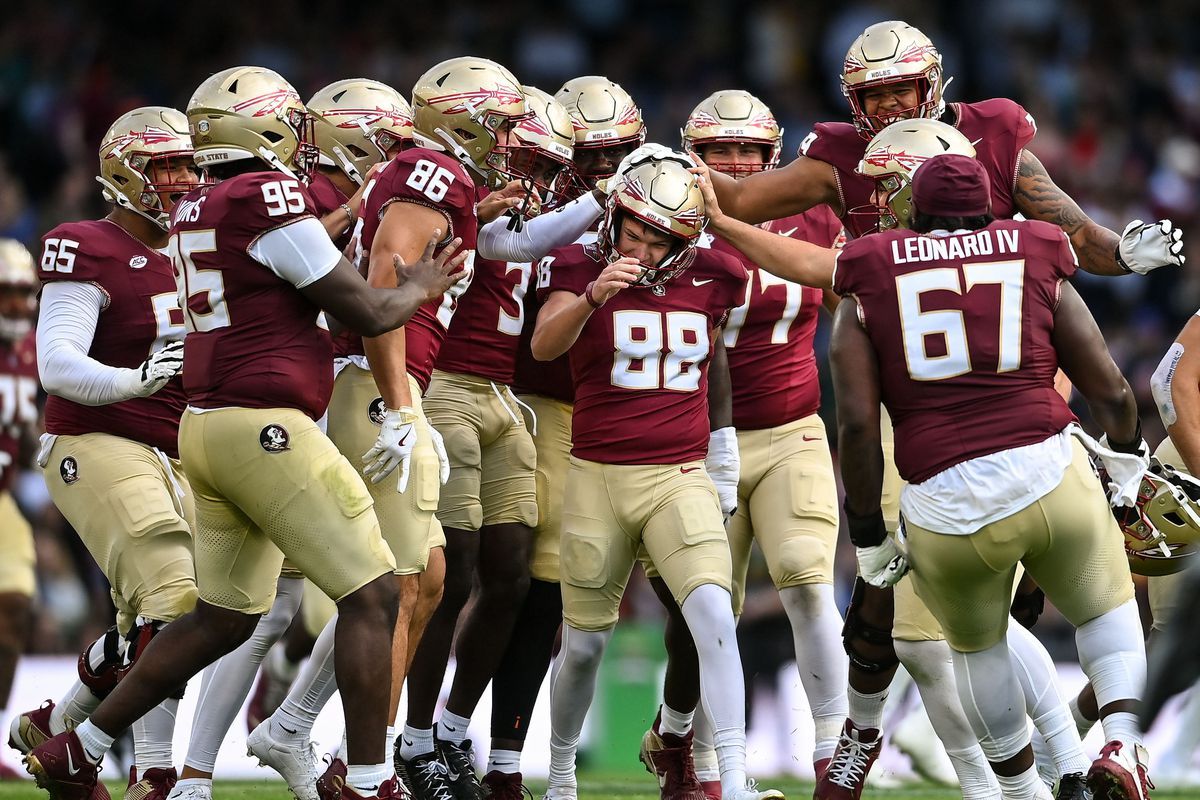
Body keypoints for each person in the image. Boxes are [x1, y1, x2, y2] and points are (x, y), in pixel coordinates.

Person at [21, 65, 466, 800]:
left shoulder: (201, 203)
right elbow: (369, 309)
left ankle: (84, 743)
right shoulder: (265, 193)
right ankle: (368, 780)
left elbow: (276, 269)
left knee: (220, 618)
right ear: (264, 128)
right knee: (375, 593)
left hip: (204, 427)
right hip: (265, 429)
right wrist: (420, 286)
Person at [831, 153, 1153, 800]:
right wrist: (1127, 463)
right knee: (1106, 612)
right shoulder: (1035, 248)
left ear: (912, 213)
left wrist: (867, 534)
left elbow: (860, 428)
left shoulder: (866, 271)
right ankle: (1120, 743)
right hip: (1047, 467)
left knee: (978, 649)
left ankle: (1020, 789)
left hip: (944, 501)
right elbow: (1112, 388)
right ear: (991, 209)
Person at [167, 77, 416, 800]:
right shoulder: (275, 193)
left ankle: (179, 765)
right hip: (319, 393)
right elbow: (363, 301)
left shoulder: (251, 197)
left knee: (260, 604)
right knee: (388, 580)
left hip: (262, 399)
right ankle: (346, 758)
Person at [533, 155, 781, 800]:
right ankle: (561, 775)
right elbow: (543, 347)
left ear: (687, 238)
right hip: (597, 475)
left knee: (713, 615)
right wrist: (594, 297)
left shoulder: (718, 273)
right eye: (632, 232)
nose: (639, 248)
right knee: (584, 645)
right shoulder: (580, 266)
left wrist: (721, 452)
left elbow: (716, 359)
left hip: (678, 474)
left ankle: (732, 775)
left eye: (657, 239)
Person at [637, 90, 848, 800]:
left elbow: (863, 303)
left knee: (810, 584)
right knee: (705, 612)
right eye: (719, 151)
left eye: (750, 153)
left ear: (774, 156)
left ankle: (831, 755)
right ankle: (685, 747)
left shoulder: (819, 211)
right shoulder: (663, 218)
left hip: (793, 426)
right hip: (695, 439)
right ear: (689, 155)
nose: (734, 163)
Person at [9, 106, 198, 800]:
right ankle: (153, 772)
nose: (178, 178)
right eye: (163, 164)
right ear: (122, 170)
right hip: (96, 439)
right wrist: (130, 380)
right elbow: (56, 362)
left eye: (185, 162)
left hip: (182, 452)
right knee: (175, 600)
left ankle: (53, 723)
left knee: (191, 615)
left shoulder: (204, 245)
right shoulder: (86, 244)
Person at [477, 78, 642, 799]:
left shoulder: (653, 209)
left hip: (627, 419)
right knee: (521, 585)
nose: (606, 168)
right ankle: (473, 746)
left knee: (564, 594)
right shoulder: (524, 210)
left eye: (619, 152)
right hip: (535, 409)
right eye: (591, 154)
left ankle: (697, 759)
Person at [0, 240, 41, 782]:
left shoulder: (31, 348)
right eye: (4, 295)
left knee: (15, 608)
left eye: (21, 295)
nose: (15, 306)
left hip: (4, 495)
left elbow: (27, 422)